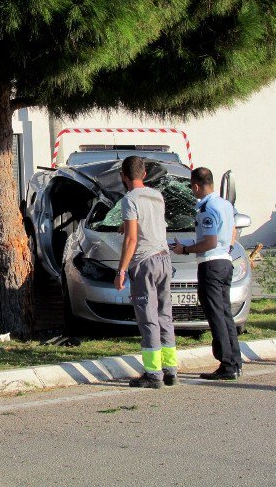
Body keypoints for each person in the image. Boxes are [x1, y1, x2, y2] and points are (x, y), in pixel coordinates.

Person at [114, 156, 178, 389]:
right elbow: (148, 223)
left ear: (123, 176)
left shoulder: (129, 199)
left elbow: (132, 239)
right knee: (164, 316)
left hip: (144, 263)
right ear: (144, 174)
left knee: (148, 319)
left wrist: (121, 270)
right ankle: (170, 370)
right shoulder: (156, 196)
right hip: (163, 259)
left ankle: (153, 374)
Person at [173, 167, 242, 380]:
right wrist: (226, 249)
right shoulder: (225, 204)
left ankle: (226, 363)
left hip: (211, 265)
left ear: (195, 186)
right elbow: (231, 233)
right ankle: (235, 362)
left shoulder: (206, 209)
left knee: (215, 315)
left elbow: (209, 241)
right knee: (225, 313)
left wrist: (185, 249)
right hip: (225, 262)